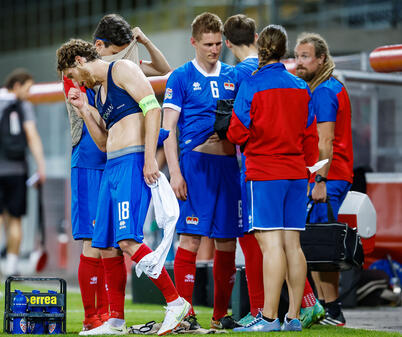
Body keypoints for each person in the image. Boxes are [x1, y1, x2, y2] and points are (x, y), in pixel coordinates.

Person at [58, 39, 190, 335]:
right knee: (104, 245)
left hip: (132, 163)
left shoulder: (122, 69)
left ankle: (175, 302)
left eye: (72, 75)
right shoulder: (100, 93)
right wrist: (84, 111)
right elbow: (104, 141)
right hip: (112, 166)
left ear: (79, 61)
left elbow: (152, 109)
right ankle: (115, 321)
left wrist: (149, 160)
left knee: (128, 240)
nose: (74, 83)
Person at [223, 14, 325, 328]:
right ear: (283, 52)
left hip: (264, 173)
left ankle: (268, 317)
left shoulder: (251, 84)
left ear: (261, 47)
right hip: (296, 172)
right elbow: (312, 138)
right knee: (293, 245)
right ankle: (294, 317)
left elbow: (236, 133)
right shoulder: (300, 86)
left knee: (270, 246)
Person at [162, 12, 241, 330]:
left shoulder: (234, 74)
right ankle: (185, 312)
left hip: (228, 168)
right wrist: (175, 173)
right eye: (208, 44)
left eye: (218, 43)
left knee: (227, 242)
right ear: (193, 42)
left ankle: (221, 315)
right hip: (195, 170)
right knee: (191, 239)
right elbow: (168, 129)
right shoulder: (180, 77)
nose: (214, 49)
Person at [295, 32, 354, 326]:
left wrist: (319, 179)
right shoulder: (330, 87)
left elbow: (326, 141)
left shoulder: (324, 92)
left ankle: (333, 309)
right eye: (297, 56)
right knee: (317, 243)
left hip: (329, 177)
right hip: (331, 175)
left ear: (321, 59)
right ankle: (324, 307)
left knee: (321, 244)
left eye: (305, 57)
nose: (299, 62)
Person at [0, 69, 46, 281]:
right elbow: (32, 137)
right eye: (27, 88)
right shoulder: (23, 107)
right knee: (15, 221)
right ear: (16, 85)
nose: (29, 94)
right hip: (18, 172)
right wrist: (41, 167)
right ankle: (12, 266)